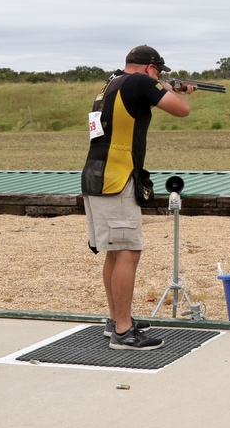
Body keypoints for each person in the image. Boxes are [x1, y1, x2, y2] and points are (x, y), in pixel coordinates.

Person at [82, 45, 195, 350]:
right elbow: (181, 109)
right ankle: (123, 331)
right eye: (159, 72)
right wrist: (177, 91)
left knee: (114, 251)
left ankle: (116, 319)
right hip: (117, 178)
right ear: (149, 68)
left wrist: (167, 87)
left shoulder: (112, 83)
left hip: (97, 174)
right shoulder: (140, 81)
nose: (159, 78)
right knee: (128, 252)